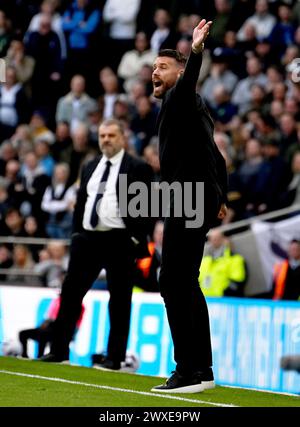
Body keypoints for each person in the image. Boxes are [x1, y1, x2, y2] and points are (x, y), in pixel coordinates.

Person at [151, 19, 228, 393]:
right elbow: (217, 155)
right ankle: (203, 369)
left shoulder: (182, 97)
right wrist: (222, 195)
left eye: (163, 66)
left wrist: (195, 51)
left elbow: (188, 78)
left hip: (187, 198)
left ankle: (188, 370)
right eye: (153, 66)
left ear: (181, 74)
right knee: (184, 282)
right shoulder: (192, 108)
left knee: (173, 280)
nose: (154, 71)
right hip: (196, 196)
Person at [40, 119, 153, 369]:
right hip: (88, 240)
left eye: (111, 135)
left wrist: (135, 237)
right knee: (70, 294)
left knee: (120, 300)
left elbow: (148, 206)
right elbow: (82, 201)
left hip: (120, 239)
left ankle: (114, 357)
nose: (106, 140)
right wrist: (76, 234)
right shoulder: (90, 166)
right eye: (102, 136)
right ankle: (58, 350)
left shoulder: (138, 167)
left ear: (122, 138)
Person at [19, 295, 85, 359]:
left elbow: (73, 323)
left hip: (60, 331)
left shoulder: (78, 306)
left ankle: (40, 356)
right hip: (49, 328)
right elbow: (49, 317)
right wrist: (45, 323)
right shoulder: (56, 301)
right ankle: (25, 354)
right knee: (23, 333)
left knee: (43, 335)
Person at [199, 228, 247, 297]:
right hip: (207, 301)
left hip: (224, 302)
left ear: (224, 239)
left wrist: (225, 295)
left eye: (217, 238)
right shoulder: (204, 261)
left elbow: (237, 283)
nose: (214, 241)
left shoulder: (234, 259)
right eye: (211, 238)